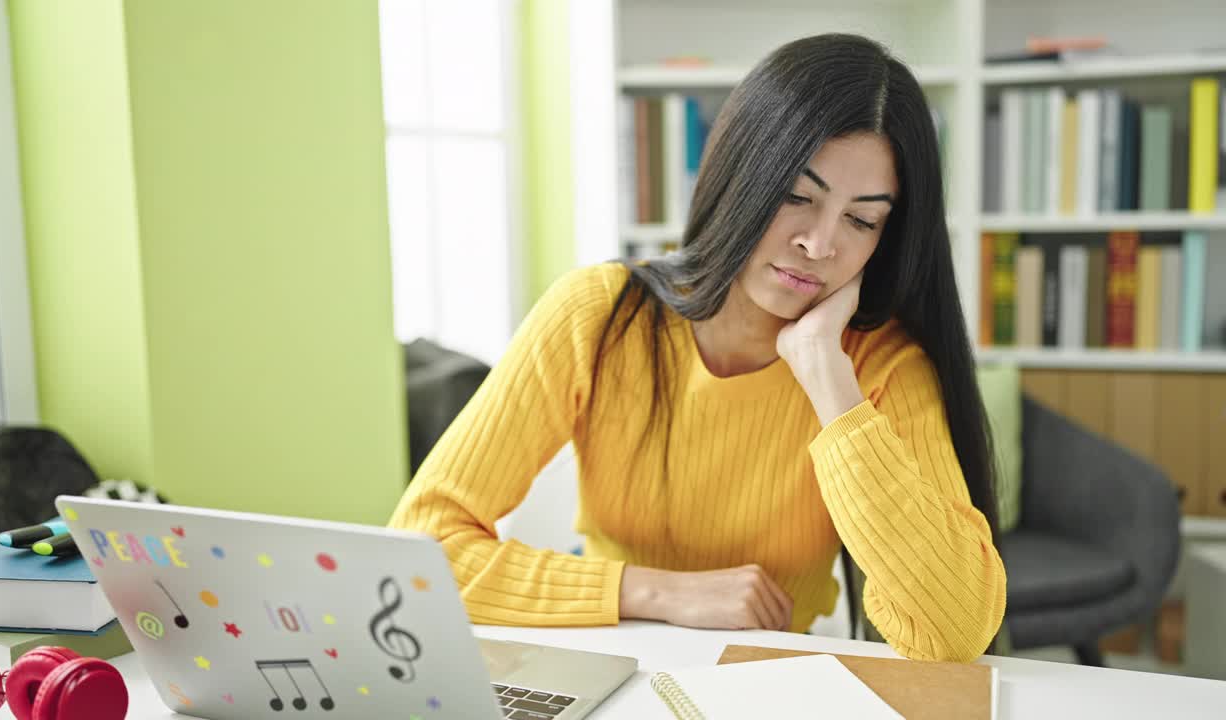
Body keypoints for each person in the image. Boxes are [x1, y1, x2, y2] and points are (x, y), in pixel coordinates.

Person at [390, 33, 1005, 664]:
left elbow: (953, 631)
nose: (820, 244)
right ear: (741, 176)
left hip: (773, 685)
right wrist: (658, 592)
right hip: (609, 661)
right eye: (798, 196)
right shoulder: (600, 316)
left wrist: (828, 376)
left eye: (862, 220)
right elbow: (422, 547)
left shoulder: (877, 363)